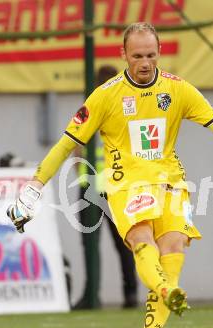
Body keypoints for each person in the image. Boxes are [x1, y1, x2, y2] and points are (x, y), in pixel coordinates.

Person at [7, 22, 213, 328]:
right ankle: (166, 289)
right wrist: (33, 189)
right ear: (123, 54)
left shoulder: (177, 89)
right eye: (137, 55)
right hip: (125, 184)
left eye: (151, 54)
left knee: (174, 246)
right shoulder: (106, 95)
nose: (145, 62)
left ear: (159, 52)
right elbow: (66, 144)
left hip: (171, 182)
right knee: (142, 241)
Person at [75, 65, 138, 309]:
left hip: (91, 185)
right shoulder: (126, 111)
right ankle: (130, 294)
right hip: (116, 185)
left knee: (91, 244)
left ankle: (92, 295)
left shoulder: (89, 109)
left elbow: (76, 147)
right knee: (124, 242)